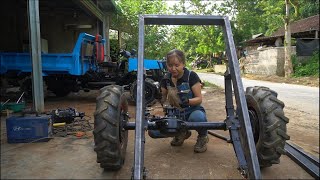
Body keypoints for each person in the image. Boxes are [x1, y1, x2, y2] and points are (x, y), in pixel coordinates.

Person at [159, 49, 209, 153]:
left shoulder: (191, 76)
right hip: (175, 113)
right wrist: (159, 98)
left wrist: (187, 101)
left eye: (176, 65)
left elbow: (199, 99)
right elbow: (163, 98)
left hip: (192, 110)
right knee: (153, 131)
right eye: (170, 65)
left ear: (183, 64)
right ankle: (182, 132)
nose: (173, 69)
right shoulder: (166, 78)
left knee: (198, 118)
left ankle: (203, 137)